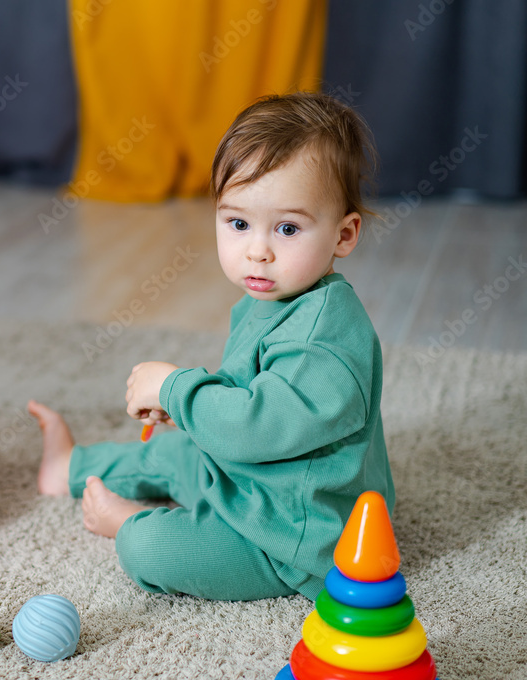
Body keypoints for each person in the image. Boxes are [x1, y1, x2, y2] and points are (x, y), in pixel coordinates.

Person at [29, 91, 395, 601]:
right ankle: (69, 468)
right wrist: (188, 412)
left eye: (287, 228)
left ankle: (130, 523)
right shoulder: (269, 299)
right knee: (177, 451)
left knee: (150, 549)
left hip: (295, 539)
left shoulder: (324, 339)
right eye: (238, 223)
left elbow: (260, 425)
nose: (257, 250)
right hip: (254, 483)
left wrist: (180, 389)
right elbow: (250, 391)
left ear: (344, 234)